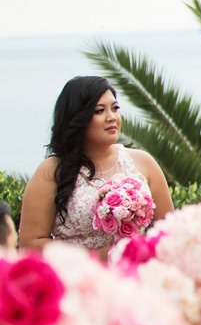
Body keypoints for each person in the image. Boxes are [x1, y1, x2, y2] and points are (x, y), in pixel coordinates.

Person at [18, 76, 175, 259]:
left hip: (133, 278)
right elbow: (30, 243)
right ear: (78, 117)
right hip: (77, 279)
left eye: (115, 108)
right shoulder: (53, 171)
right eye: (100, 111)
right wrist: (95, 256)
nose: (112, 117)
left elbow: (169, 233)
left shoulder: (143, 163)